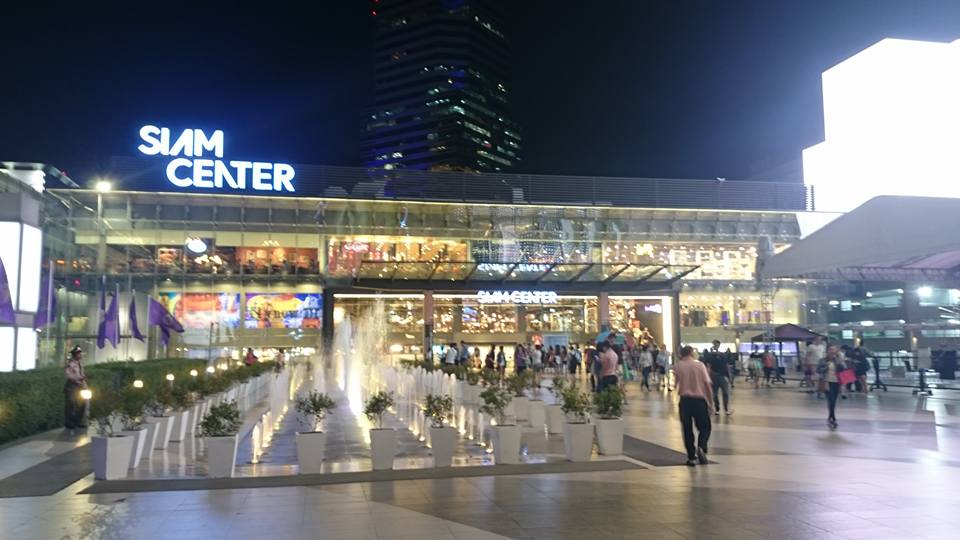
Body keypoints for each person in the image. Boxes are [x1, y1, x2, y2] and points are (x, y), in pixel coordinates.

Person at [674, 345, 714, 466]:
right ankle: (701, 446)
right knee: (705, 427)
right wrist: (711, 402)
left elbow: (676, 383)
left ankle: (691, 457)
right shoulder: (700, 365)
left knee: (687, 429)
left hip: (685, 401)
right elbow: (707, 385)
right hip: (699, 400)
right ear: (691, 353)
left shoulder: (678, 365)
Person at [818, 345, 844, 429]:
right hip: (827, 382)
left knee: (834, 401)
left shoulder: (837, 360)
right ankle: (833, 418)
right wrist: (826, 366)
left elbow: (843, 369)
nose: (832, 351)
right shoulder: (822, 360)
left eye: (833, 350)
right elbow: (818, 370)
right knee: (830, 400)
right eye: (830, 349)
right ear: (827, 351)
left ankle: (830, 417)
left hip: (836, 382)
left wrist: (840, 361)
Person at [64, 346, 88, 432]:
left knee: (82, 404)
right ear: (75, 354)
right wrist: (79, 378)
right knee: (71, 404)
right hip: (72, 386)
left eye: (80, 353)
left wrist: (84, 384)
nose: (80, 355)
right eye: (79, 353)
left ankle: (78, 421)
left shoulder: (80, 363)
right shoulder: (70, 364)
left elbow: (82, 374)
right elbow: (68, 375)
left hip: (80, 386)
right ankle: (69, 422)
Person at [706, 343, 733, 415]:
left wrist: (729, 376)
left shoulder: (723, 355)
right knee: (716, 394)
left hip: (721, 376)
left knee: (724, 393)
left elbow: (726, 366)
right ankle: (718, 408)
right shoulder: (710, 356)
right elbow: (709, 367)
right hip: (715, 376)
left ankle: (725, 409)